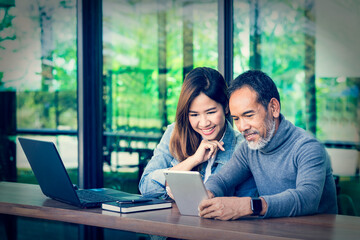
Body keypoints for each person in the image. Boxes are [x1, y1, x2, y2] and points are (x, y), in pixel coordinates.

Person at [199, 70, 337, 220]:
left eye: (249, 115)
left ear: (274, 108)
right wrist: (208, 193)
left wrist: (248, 206)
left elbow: (307, 198)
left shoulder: (307, 147)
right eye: (236, 118)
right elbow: (222, 180)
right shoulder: (248, 149)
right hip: (275, 233)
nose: (242, 127)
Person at [139, 67, 257, 200]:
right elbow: (146, 186)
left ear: (225, 107)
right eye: (194, 114)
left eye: (211, 112)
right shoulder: (175, 133)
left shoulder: (243, 147)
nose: (204, 123)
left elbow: (246, 203)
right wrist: (194, 160)